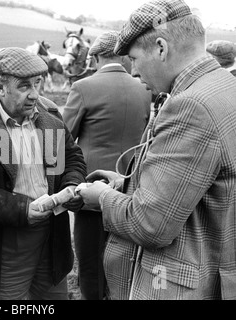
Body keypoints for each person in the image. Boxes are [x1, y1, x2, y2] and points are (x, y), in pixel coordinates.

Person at [75, 0, 236, 300]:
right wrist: (128, 185)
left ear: (161, 48)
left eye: (134, 58)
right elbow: (197, 187)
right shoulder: (223, 86)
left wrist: (104, 198)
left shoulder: (191, 106)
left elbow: (150, 224)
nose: (133, 71)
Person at [0, 47, 87, 300]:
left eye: (38, 83)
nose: (34, 95)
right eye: (24, 86)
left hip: (52, 240)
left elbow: (73, 158)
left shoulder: (49, 113)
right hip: (5, 243)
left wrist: (73, 186)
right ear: (0, 86)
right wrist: (21, 210)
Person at [62, 31, 152, 300]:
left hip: (92, 188)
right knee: (123, 263)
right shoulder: (144, 88)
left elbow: (64, 137)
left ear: (97, 56)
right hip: (131, 189)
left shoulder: (83, 87)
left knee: (90, 264)